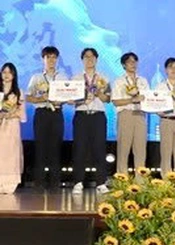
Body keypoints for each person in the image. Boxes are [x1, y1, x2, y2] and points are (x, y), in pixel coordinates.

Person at [71, 48, 111, 195]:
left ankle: (101, 183)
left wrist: (99, 93)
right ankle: (78, 182)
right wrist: (83, 99)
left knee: (99, 149)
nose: (89, 59)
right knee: (80, 149)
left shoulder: (103, 78)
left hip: (98, 115)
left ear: (96, 59)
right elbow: (70, 100)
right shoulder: (76, 78)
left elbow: (108, 99)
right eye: (86, 57)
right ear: (82, 60)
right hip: (81, 115)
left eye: (92, 56)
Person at [26, 46, 67, 188]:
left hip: (57, 113)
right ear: (43, 59)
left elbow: (68, 96)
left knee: (56, 147)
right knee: (40, 147)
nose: (51, 60)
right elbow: (28, 97)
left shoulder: (62, 77)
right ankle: (39, 182)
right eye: (48, 57)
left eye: (54, 57)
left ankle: (55, 182)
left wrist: (61, 100)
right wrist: (40, 98)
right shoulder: (36, 77)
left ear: (57, 59)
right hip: (41, 113)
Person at [111, 52, 149, 177]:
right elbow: (115, 101)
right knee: (123, 149)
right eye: (129, 62)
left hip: (140, 115)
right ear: (124, 65)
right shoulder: (119, 81)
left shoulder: (143, 81)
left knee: (140, 149)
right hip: (125, 114)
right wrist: (132, 100)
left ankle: (141, 181)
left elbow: (148, 99)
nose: (133, 64)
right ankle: (122, 179)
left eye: (134, 61)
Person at [0, 63, 26, 193]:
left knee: (11, 154)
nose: (6, 75)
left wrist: (10, 114)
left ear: (14, 75)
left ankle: (9, 183)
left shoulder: (18, 92)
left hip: (12, 126)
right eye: (4, 72)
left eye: (9, 72)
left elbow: (22, 114)